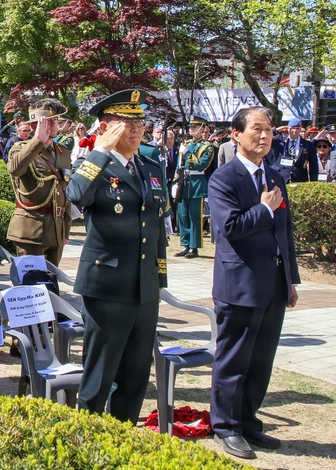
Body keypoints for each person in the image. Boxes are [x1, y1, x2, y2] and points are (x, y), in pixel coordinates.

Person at [66, 89, 167, 424]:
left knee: (136, 374)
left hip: (144, 287)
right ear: (106, 126)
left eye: (139, 120)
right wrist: (99, 151)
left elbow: (156, 228)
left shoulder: (152, 167)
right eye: (125, 122)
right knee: (100, 375)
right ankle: (90, 435)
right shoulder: (93, 164)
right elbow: (76, 195)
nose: (135, 128)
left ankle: (122, 434)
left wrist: (159, 278)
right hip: (107, 285)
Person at [206, 106, 300, 459]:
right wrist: (262, 208)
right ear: (236, 134)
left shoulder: (275, 177)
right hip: (240, 283)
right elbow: (228, 229)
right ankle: (226, 426)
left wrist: (290, 279)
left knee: (261, 360)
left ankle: (248, 421)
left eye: (269, 130)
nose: (264, 136)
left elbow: (284, 233)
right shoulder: (224, 178)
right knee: (234, 358)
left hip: (273, 283)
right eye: (256, 129)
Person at [6, 98, 73, 265]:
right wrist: (37, 141)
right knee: (32, 285)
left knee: (52, 285)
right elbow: (14, 169)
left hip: (56, 229)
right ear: (35, 125)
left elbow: (65, 192)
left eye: (55, 121)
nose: (54, 125)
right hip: (31, 230)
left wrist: (66, 230)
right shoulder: (21, 148)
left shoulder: (62, 152)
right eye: (48, 122)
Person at [174, 115, 214, 258]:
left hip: (197, 183)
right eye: (191, 127)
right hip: (184, 182)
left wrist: (188, 153)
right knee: (183, 216)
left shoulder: (207, 147)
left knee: (194, 217)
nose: (191, 129)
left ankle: (194, 247)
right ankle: (185, 244)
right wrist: (175, 181)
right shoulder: (186, 143)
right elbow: (179, 164)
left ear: (202, 128)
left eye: (195, 127)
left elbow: (201, 165)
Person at [269, 118, 318, 184]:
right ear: (288, 128)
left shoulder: (308, 145)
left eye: (297, 128)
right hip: (282, 179)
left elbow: (313, 166)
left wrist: (313, 183)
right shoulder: (279, 141)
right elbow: (267, 136)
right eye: (292, 128)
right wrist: (276, 130)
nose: (295, 131)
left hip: (300, 180)